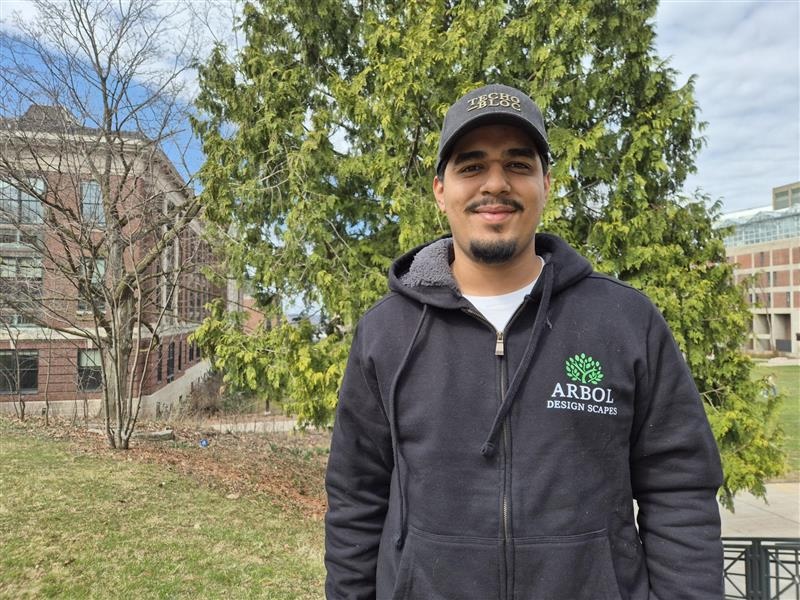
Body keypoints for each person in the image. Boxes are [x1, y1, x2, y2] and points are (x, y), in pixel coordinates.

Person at [324, 83, 724, 599]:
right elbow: (356, 496)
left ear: (546, 184)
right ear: (440, 190)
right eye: (471, 166)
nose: (495, 184)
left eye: (517, 164)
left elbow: (679, 489)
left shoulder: (624, 320)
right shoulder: (387, 331)